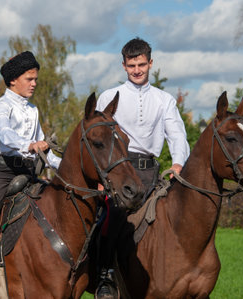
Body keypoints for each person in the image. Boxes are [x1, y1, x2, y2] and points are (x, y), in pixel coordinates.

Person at [94, 37, 190, 298]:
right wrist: (101, 177)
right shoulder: (108, 96)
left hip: (152, 172)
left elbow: (177, 135)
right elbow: (97, 140)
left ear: (151, 63)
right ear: (123, 65)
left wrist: (179, 162)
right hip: (118, 172)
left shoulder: (164, 100)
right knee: (112, 217)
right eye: (131, 65)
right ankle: (105, 276)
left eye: (142, 64)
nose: (137, 70)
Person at [0, 51, 61, 299]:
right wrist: (28, 144)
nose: (34, 83)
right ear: (13, 81)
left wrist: (68, 168)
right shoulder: (1, 107)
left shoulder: (33, 110)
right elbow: (3, 133)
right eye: (29, 79)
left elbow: (44, 149)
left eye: (35, 79)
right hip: (1, 172)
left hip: (28, 171)